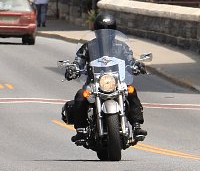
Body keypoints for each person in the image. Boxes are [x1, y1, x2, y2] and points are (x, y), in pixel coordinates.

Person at [62, 11, 147, 144]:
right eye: (102, 31)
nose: (106, 35)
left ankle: (136, 126)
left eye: (109, 31)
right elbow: (79, 60)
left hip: (116, 81)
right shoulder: (88, 47)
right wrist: (74, 68)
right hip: (94, 82)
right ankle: (81, 129)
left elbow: (130, 60)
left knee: (131, 91)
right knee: (81, 95)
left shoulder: (122, 46)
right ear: (96, 32)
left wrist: (137, 65)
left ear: (114, 31)